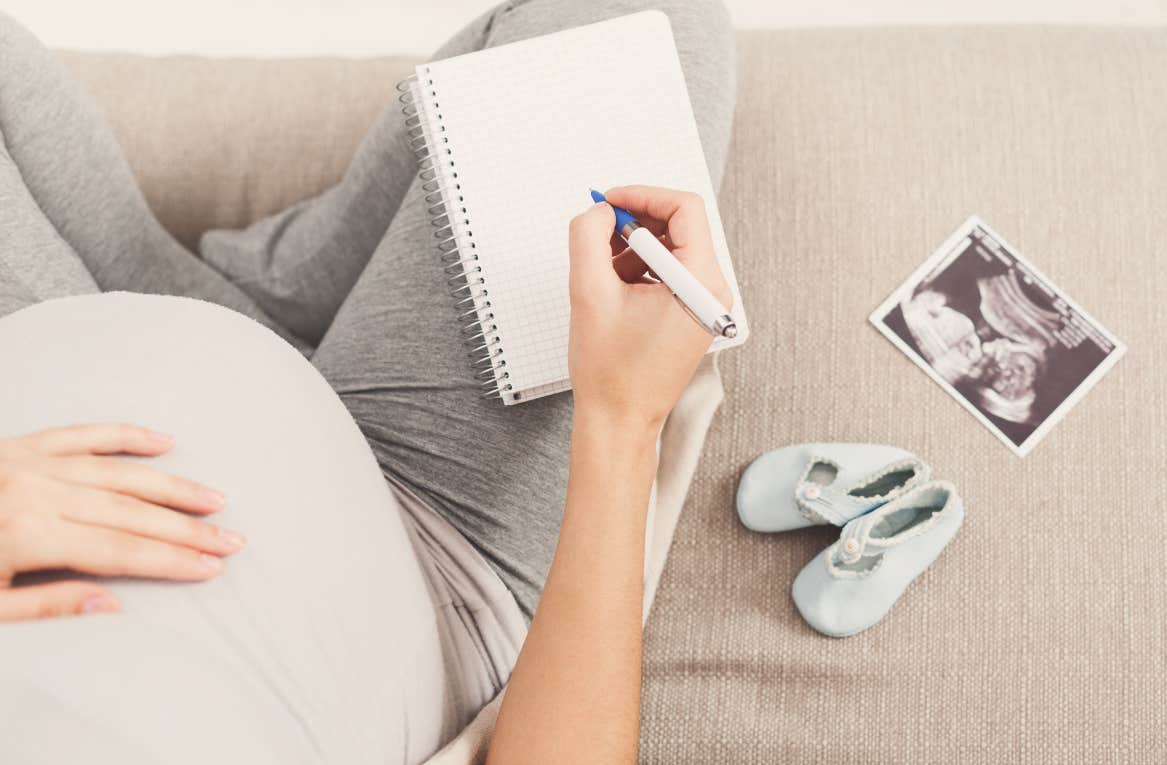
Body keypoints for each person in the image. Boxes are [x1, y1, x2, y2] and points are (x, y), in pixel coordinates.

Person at [0, 1, 735, 763]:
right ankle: (234, 307)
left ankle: (220, 292)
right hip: (429, 542)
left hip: (33, 394)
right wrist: (623, 420)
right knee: (633, 28)